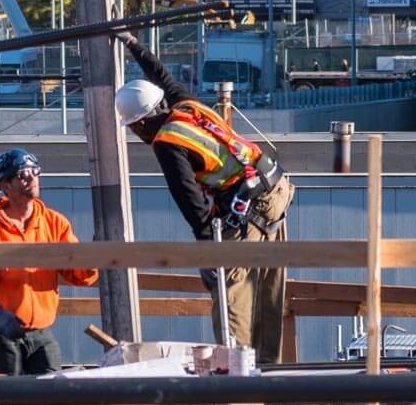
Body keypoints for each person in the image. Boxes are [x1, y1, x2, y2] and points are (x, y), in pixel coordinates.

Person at [115, 33, 294, 364]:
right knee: (268, 290)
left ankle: (241, 379)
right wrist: (133, 44)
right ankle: (270, 373)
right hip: (275, 187)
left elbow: (191, 204)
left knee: (232, 292)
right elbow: (162, 77)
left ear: (141, 124)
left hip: (248, 204)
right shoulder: (187, 106)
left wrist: (209, 252)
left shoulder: (167, 142)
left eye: (134, 128)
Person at [0, 148, 98, 375]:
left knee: (50, 397)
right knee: (6, 401)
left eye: (35, 171)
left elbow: (79, 275)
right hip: (1, 334)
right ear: (5, 186)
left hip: (41, 333)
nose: (32, 178)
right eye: (22, 174)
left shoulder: (55, 224)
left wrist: (91, 259)